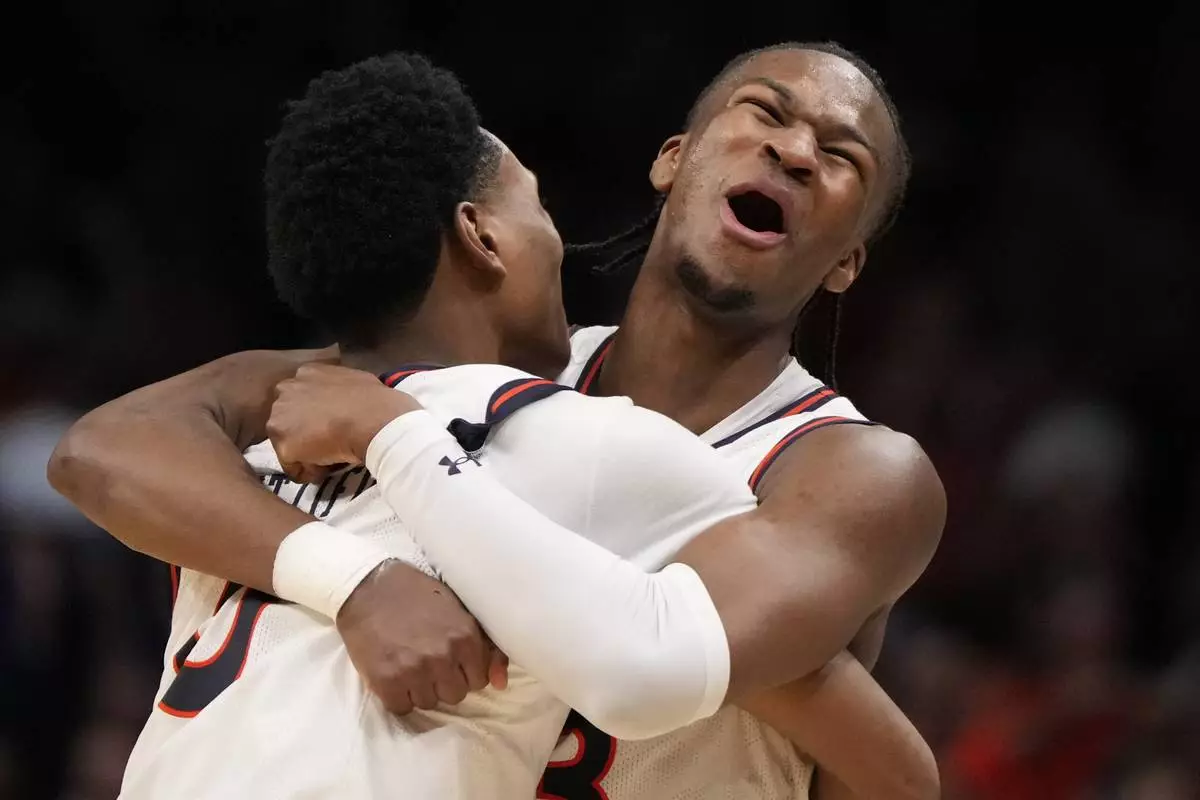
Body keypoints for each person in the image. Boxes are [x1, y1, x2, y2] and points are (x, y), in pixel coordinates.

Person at [50, 43, 945, 799]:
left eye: (842, 156)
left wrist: (416, 490)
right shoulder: (476, 381)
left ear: (847, 263)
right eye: (766, 112)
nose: (795, 150)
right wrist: (351, 578)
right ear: (674, 159)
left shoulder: (853, 469)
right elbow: (108, 446)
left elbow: (685, 670)